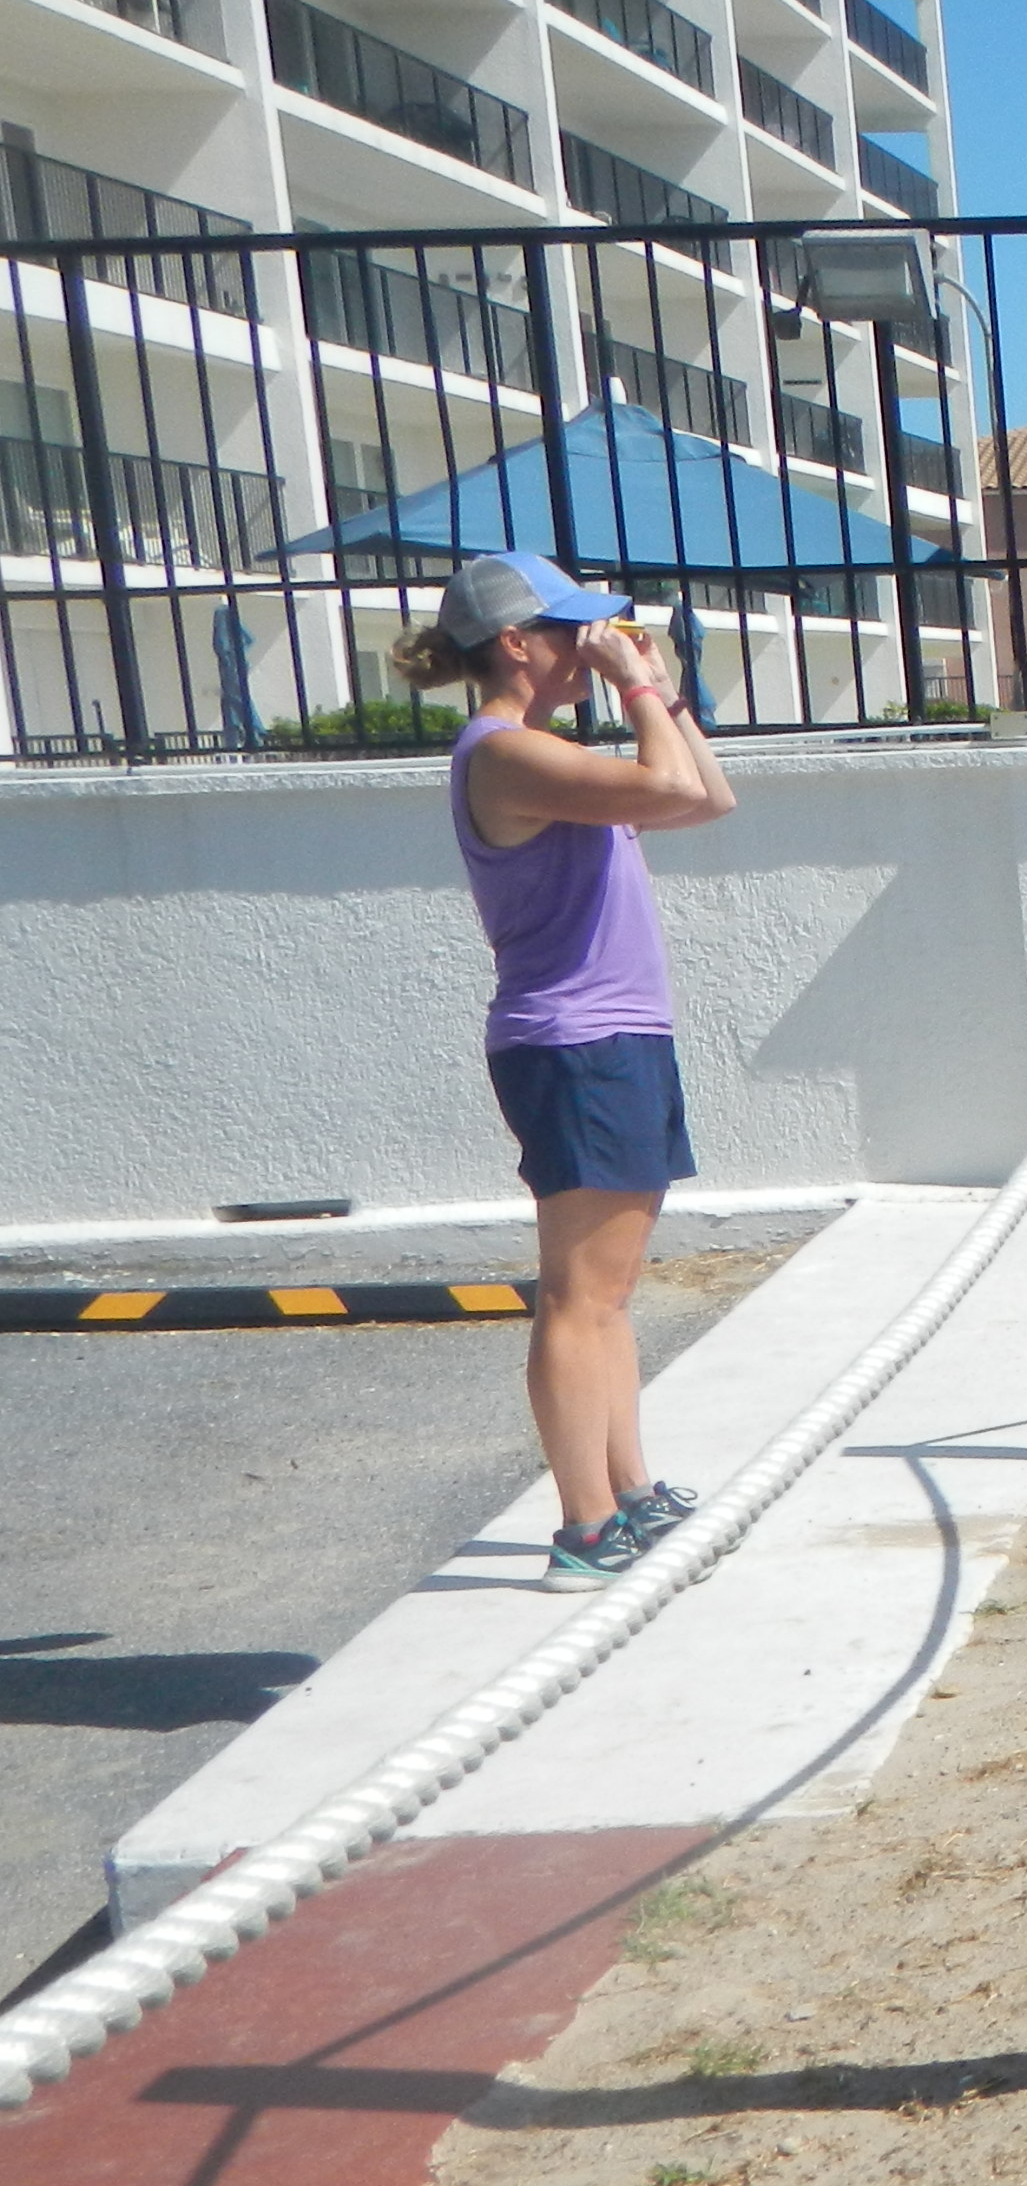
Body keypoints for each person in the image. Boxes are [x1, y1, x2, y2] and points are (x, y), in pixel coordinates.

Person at [387, 552, 740, 1588]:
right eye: (572, 629)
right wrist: (635, 684)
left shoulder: (546, 752)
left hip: (613, 1037)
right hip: (575, 1043)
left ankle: (628, 1492)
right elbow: (671, 780)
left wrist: (659, 689)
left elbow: (704, 797)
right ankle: (584, 1527)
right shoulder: (502, 753)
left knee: (610, 1292)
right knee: (578, 1296)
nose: (592, 644)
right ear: (515, 642)